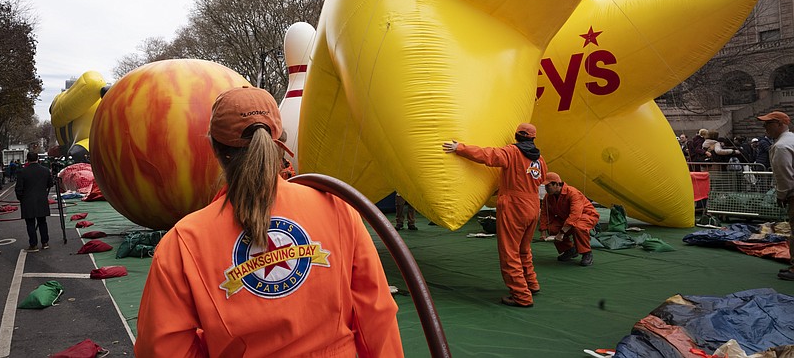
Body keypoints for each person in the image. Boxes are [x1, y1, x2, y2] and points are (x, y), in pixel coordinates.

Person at [134, 86, 403, 357]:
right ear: (280, 141)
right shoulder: (338, 209)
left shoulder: (183, 241)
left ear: (214, 148)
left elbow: (160, 348)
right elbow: (376, 313)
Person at [443, 122, 546, 308]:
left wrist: (460, 148)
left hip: (515, 206)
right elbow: (540, 178)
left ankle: (522, 296)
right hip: (533, 207)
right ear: (533, 138)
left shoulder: (512, 152)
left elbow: (487, 155)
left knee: (510, 253)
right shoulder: (540, 159)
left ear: (517, 136)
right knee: (524, 249)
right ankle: (531, 284)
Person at [757, 111, 794, 281]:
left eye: (768, 123)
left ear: (780, 124)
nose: (765, 127)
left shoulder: (780, 146)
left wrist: (782, 195)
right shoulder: (790, 140)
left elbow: (784, 176)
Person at [538, 172, 600, 266]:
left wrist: (561, 233)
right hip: (567, 218)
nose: (546, 189)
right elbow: (544, 214)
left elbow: (575, 215)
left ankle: (586, 253)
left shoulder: (572, 193)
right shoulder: (548, 197)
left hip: (586, 215)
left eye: (548, 186)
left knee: (578, 227)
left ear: (556, 184)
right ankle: (569, 250)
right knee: (552, 227)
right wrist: (543, 231)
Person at [15, 151, 55, 252]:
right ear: (37, 158)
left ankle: (33, 245)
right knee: (42, 222)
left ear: (27, 159)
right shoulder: (45, 170)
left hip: (27, 200)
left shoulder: (22, 172)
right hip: (41, 199)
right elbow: (50, 184)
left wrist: (21, 198)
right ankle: (45, 242)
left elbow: (18, 188)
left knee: (30, 224)